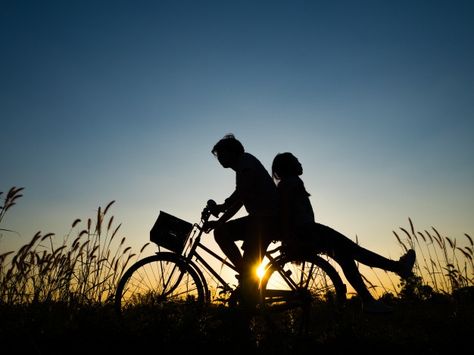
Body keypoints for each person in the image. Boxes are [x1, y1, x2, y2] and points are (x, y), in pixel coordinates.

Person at [271, 152, 416, 313]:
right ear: (289, 166)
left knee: (346, 259)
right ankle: (397, 268)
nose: (300, 163)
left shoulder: (287, 184)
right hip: (309, 232)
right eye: (296, 160)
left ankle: (369, 300)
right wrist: (292, 238)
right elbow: (285, 214)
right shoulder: (291, 183)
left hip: (308, 232)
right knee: (355, 251)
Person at [203, 134, 279, 307]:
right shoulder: (243, 166)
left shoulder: (245, 162)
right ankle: (246, 283)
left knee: (222, 233)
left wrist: (222, 212)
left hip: (265, 220)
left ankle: (245, 277)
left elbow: (241, 194)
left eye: (222, 154)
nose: (219, 158)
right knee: (222, 231)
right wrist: (222, 215)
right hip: (262, 220)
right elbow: (241, 198)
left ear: (232, 152)